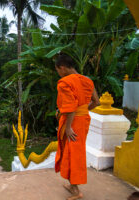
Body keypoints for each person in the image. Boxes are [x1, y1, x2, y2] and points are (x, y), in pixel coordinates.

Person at [54, 53, 99, 200]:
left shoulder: (65, 82)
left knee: (73, 155)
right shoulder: (87, 81)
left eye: (58, 70)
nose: (59, 74)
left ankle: (77, 191)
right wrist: (82, 111)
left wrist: (68, 127)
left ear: (62, 68)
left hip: (72, 123)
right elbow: (96, 102)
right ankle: (72, 185)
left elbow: (71, 107)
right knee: (71, 152)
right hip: (83, 120)